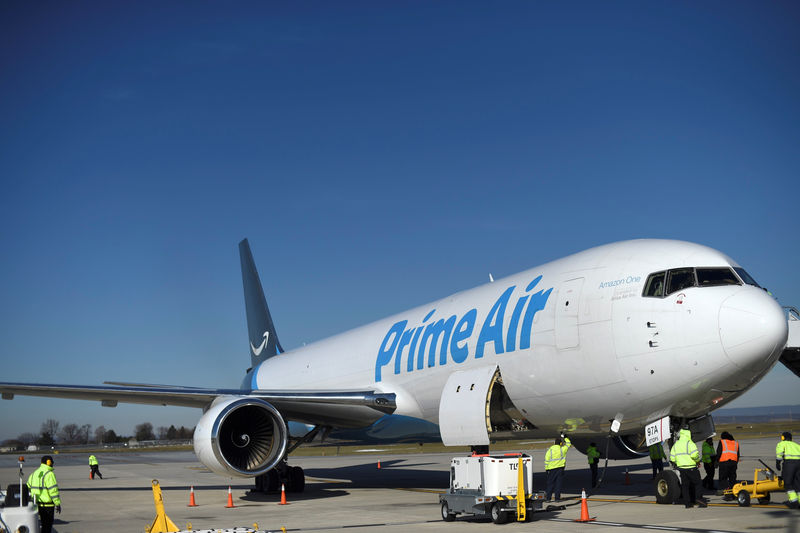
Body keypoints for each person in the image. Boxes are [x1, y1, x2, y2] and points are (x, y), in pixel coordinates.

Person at [669, 427, 707, 508]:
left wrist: (679, 462)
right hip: (691, 467)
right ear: (688, 434)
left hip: (681, 468)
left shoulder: (676, 444)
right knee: (698, 483)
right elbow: (694, 455)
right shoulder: (690, 443)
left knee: (685, 486)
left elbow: (672, 458)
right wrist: (697, 461)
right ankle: (699, 499)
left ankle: (687, 503)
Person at [27, 455, 62, 533]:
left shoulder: (34, 474)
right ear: (48, 462)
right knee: (47, 526)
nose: (53, 463)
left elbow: (28, 488)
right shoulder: (49, 474)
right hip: (47, 506)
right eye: (52, 462)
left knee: (40, 525)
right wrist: (57, 503)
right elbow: (53, 491)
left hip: (36, 505)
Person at [544, 434, 572, 502]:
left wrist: (547, 469)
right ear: (560, 443)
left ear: (554, 443)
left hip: (551, 469)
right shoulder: (562, 449)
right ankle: (557, 498)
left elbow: (546, 460)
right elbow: (568, 444)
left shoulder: (550, 450)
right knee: (558, 484)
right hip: (560, 469)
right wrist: (565, 437)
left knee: (550, 484)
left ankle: (548, 498)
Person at [776, 431, 800, 509]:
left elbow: (779, 453)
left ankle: (794, 502)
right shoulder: (796, 445)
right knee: (797, 484)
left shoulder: (782, 443)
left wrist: (778, 463)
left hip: (789, 464)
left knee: (788, 483)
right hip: (799, 464)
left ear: (783, 437)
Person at [716, 431, 740, 499]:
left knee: (723, 479)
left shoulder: (722, 442)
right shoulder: (736, 443)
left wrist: (716, 461)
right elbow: (738, 455)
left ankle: (727, 494)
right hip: (733, 463)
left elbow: (719, 452)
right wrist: (735, 463)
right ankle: (734, 493)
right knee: (732, 479)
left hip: (724, 463)